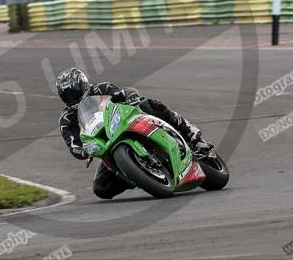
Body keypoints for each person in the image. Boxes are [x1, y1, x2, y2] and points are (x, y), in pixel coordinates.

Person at [56, 67, 213, 199]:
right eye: (66, 95)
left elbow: (122, 92)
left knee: (150, 104)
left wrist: (130, 96)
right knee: (101, 188)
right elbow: (73, 143)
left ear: (82, 85)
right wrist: (81, 150)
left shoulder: (100, 89)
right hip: (105, 143)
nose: (71, 98)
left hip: (125, 120)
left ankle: (191, 134)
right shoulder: (66, 119)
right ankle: (138, 175)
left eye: (73, 92)